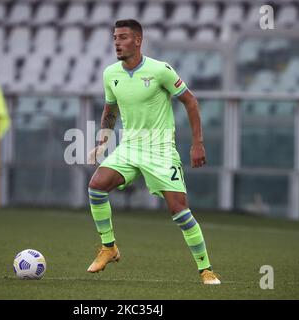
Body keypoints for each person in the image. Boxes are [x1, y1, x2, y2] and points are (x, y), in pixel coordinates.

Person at [86, 19, 220, 285]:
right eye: (114, 38)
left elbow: (190, 101)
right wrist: (103, 141)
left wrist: (198, 143)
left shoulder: (161, 70)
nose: (117, 42)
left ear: (138, 40)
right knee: (96, 186)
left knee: (179, 210)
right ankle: (109, 247)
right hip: (130, 147)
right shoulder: (110, 74)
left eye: (123, 37)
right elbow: (110, 108)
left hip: (160, 151)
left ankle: (206, 269)